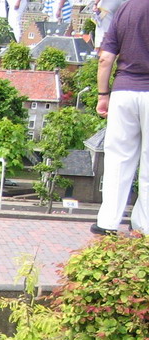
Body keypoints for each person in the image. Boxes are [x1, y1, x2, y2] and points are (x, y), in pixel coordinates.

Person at [93, 0, 149, 235]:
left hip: (123, 92)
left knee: (118, 159)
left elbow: (106, 58)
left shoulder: (125, 8)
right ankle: (143, 226)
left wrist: (102, 95)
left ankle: (107, 222)